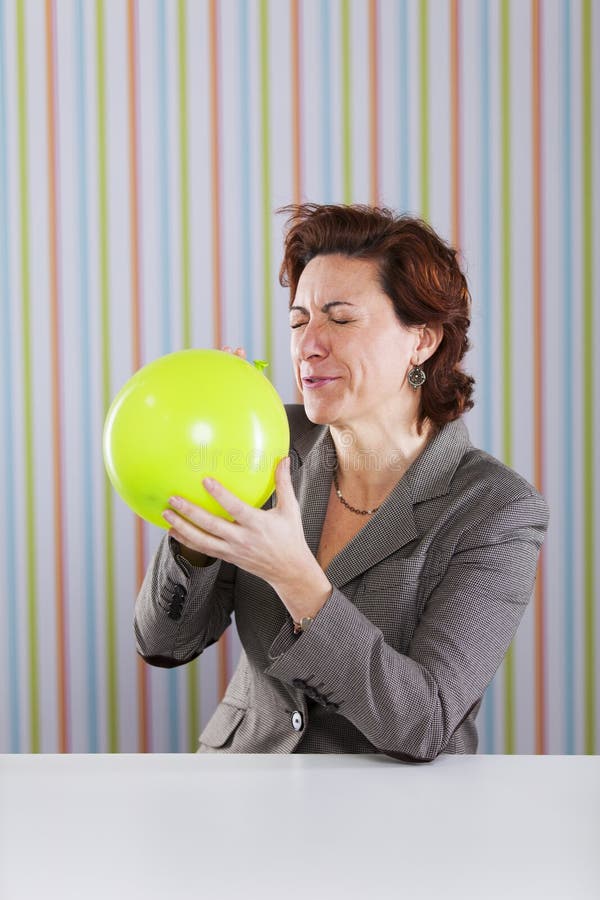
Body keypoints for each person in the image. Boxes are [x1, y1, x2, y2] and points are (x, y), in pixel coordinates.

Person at [134, 203, 549, 761]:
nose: (309, 344)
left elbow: (425, 723)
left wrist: (297, 579)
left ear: (420, 340)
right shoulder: (264, 442)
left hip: (392, 821)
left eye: (341, 318)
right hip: (244, 793)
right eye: (299, 320)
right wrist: (198, 523)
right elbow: (164, 645)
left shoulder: (496, 507)